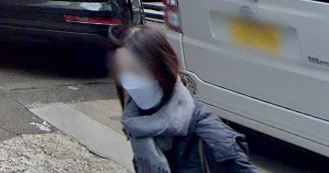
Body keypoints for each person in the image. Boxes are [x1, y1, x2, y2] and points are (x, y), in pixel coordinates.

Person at [110, 26, 259, 173]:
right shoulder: (137, 125)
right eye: (124, 72)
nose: (130, 83)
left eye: (138, 70)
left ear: (163, 68)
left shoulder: (213, 139)